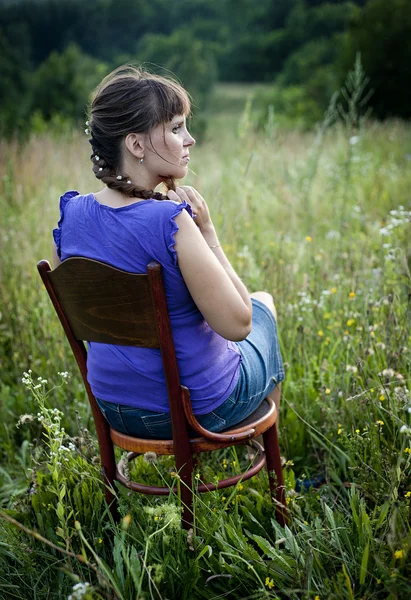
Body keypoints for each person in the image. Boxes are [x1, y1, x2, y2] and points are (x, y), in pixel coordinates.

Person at [52, 65, 284, 439]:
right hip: (197, 410)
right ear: (137, 145)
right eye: (176, 128)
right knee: (263, 308)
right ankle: (273, 461)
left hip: (115, 409)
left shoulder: (71, 216)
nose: (189, 140)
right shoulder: (170, 222)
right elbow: (239, 326)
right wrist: (208, 234)